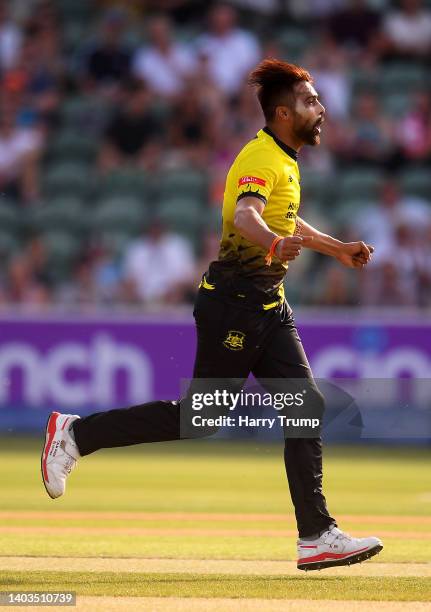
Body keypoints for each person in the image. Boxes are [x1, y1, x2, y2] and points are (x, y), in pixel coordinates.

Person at [41, 59, 383, 572]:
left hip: (266, 304)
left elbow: (282, 217)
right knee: (201, 419)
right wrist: (272, 243)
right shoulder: (260, 157)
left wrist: (333, 248)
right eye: (312, 102)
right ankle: (74, 435)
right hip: (236, 305)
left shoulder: (285, 159)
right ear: (284, 113)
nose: (322, 109)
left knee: (304, 408)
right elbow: (247, 214)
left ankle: (316, 534)